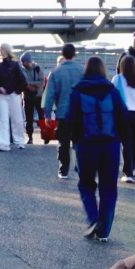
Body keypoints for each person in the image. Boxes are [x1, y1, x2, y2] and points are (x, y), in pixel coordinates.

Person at [66, 56, 127, 242]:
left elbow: (70, 121)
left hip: (86, 145)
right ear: (102, 70)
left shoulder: (77, 92)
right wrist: (124, 143)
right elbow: (123, 118)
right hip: (110, 145)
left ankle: (93, 218)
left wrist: (74, 142)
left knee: (86, 184)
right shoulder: (112, 91)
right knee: (109, 187)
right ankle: (104, 231)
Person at [42, 42, 84, 179]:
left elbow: (49, 95)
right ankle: (81, 165)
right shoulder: (82, 70)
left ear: (62, 54)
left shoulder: (55, 72)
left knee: (63, 141)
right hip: (80, 111)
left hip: (63, 112)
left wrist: (47, 114)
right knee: (80, 140)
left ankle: (63, 169)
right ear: (75, 54)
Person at [112, 55, 135, 183]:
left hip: (124, 113)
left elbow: (112, 98)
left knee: (126, 143)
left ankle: (128, 173)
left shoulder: (117, 79)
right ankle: (132, 167)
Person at [0, 43, 28, 152]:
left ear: (4, 50)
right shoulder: (0, 64)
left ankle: (17, 141)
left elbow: (23, 81)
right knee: (5, 120)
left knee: (17, 120)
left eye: (1, 49)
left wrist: (14, 91)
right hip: (6, 95)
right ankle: (5, 143)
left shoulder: (14, 64)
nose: (0, 51)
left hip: (11, 95)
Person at [21, 53, 45, 144]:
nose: (23, 64)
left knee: (41, 116)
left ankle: (44, 135)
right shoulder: (21, 70)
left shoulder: (37, 68)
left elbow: (41, 81)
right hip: (27, 97)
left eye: (24, 62)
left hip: (38, 96)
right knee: (28, 118)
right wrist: (27, 86)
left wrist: (29, 84)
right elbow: (21, 82)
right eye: (22, 62)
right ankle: (30, 137)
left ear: (29, 61)